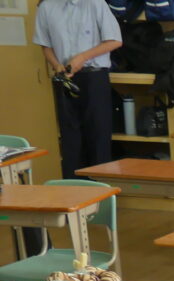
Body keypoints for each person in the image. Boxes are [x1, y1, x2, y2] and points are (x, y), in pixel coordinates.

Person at [33, 0, 122, 179]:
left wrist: (82, 57)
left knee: (98, 136)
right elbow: (45, 45)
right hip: (65, 76)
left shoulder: (96, 4)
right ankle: (72, 189)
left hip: (94, 76)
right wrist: (56, 65)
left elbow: (114, 41)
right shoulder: (46, 7)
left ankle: (100, 189)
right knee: (70, 137)